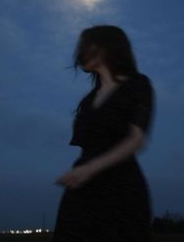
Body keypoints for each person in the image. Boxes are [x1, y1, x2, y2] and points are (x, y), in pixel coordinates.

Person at [53, 24, 156, 242]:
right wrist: (82, 172)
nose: (81, 53)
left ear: (109, 47)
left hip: (121, 189)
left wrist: (91, 169)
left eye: (88, 46)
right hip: (82, 189)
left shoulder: (138, 85)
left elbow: (136, 139)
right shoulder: (88, 102)